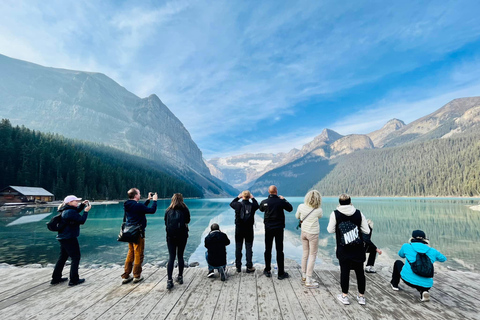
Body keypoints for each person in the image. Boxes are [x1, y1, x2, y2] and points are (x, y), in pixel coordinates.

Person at [327, 194, 372, 305]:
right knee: (360, 272)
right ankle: (361, 297)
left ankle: (344, 296)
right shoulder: (358, 213)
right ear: (350, 201)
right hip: (358, 248)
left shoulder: (335, 213)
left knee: (344, 272)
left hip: (343, 249)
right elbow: (366, 230)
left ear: (339, 202)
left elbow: (330, 230)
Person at [390, 230, 447, 302]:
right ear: (424, 239)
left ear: (412, 237)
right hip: (427, 284)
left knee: (398, 263)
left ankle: (394, 285)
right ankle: (424, 291)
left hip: (408, 280)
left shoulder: (406, 246)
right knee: (422, 280)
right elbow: (443, 259)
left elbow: (401, 255)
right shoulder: (432, 251)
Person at [51, 195, 91, 286]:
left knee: (63, 257)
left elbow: (75, 213)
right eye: (75, 201)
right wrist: (86, 212)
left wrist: (82, 205)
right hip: (69, 238)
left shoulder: (66, 210)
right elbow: (81, 220)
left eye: (77, 201)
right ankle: (74, 280)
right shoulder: (69, 212)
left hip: (63, 237)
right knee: (75, 257)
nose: (77, 202)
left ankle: (56, 278)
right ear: (69, 202)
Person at [121, 188, 157, 284]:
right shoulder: (137, 206)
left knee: (130, 253)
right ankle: (136, 276)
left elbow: (140, 209)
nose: (140, 195)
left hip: (129, 232)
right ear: (136, 195)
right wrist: (155, 201)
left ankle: (126, 275)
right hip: (138, 233)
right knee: (138, 254)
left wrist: (148, 200)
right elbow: (152, 211)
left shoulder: (127, 204)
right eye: (139, 193)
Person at [259, 185, 293, 280]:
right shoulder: (281, 201)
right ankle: (281, 273)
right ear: (276, 191)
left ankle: (267, 270)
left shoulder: (264, 202)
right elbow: (290, 208)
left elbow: (261, 209)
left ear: (269, 192)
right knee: (279, 250)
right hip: (279, 229)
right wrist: (284, 199)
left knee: (268, 249)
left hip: (268, 228)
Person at [295, 190, 323, 288]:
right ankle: (309, 280)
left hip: (304, 233)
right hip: (313, 233)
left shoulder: (301, 206)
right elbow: (320, 216)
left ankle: (303, 275)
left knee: (305, 253)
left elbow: (297, 216)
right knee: (312, 255)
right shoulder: (318, 210)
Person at [165, 193, 190, 290]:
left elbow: (165, 222)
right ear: (182, 200)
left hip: (170, 237)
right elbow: (188, 221)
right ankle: (180, 277)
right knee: (180, 256)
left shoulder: (168, 210)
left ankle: (169, 280)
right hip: (182, 236)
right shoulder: (185, 209)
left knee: (171, 257)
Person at [230, 190, 259, 273]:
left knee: (238, 248)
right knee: (249, 248)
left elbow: (231, 203)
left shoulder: (238, 205)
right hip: (249, 229)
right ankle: (249, 266)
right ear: (249, 196)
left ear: (242, 196)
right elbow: (257, 205)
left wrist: (238, 197)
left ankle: (238, 267)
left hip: (239, 229)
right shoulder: (252, 205)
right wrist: (253, 198)